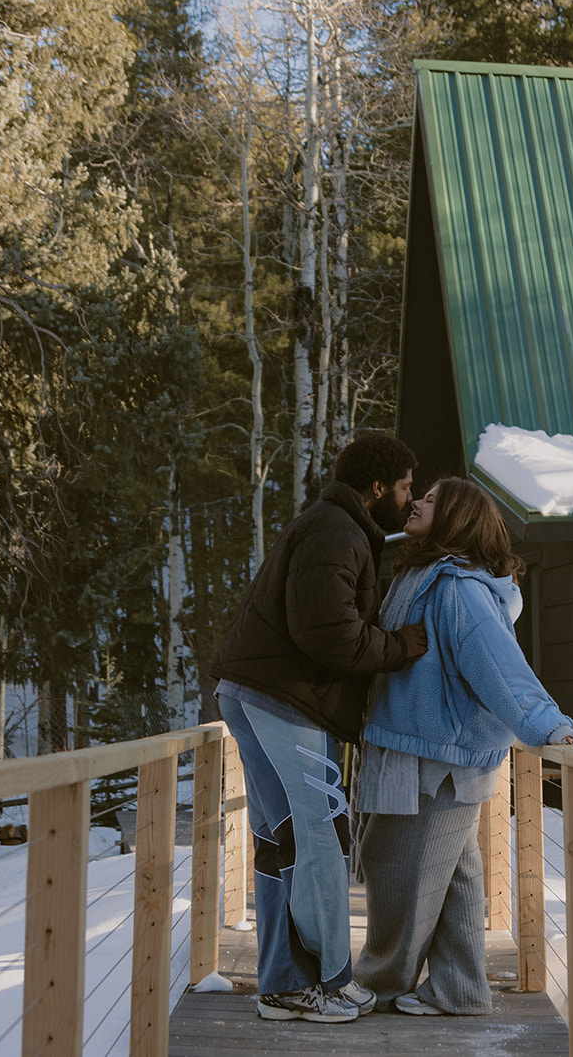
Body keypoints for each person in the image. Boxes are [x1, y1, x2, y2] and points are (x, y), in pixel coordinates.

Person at [210, 433, 428, 1024]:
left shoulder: (335, 525)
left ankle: (283, 984)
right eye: (406, 487)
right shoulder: (338, 530)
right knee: (322, 836)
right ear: (377, 487)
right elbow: (327, 631)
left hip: (261, 695)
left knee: (282, 838)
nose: (410, 501)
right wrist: (396, 646)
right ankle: (329, 982)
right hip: (283, 701)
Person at [355, 476, 573, 1016]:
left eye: (431, 500)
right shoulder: (423, 576)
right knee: (454, 876)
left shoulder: (457, 589)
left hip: (438, 758)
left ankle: (377, 983)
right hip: (425, 747)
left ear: (454, 519)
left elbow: (502, 668)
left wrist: (549, 726)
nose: (416, 503)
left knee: (395, 866)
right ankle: (460, 990)